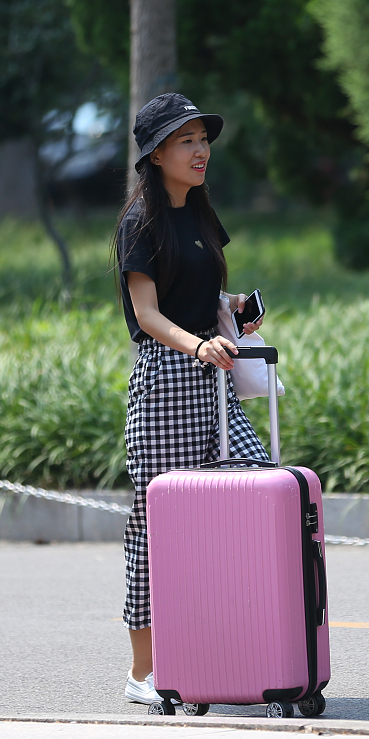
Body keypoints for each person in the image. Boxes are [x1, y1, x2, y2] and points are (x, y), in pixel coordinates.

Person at [114, 93, 269, 704]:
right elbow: (148, 314)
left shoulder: (201, 216)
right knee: (156, 527)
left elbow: (202, 297)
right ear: (155, 155)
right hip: (165, 383)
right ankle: (141, 673)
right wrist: (197, 347)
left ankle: (223, 649)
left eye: (203, 139)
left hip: (212, 380)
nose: (201, 150)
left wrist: (233, 313)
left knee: (257, 492)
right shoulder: (140, 224)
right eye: (187, 141)